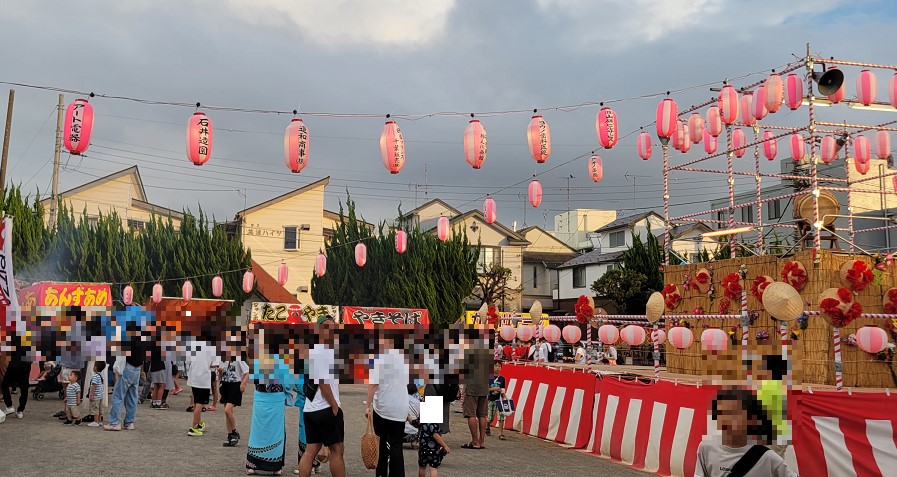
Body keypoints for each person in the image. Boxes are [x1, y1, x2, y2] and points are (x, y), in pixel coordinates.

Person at [695, 388, 796, 477]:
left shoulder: (767, 458)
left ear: (752, 419)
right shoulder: (706, 447)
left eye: (733, 414)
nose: (724, 419)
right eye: (720, 413)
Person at [297, 322, 345, 477]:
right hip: (325, 408)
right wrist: (334, 405)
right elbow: (322, 382)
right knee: (337, 450)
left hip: (310, 408)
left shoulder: (314, 351)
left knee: (310, 451)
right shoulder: (324, 352)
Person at [366, 332, 411, 476]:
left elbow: (373, 385)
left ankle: (381, 474)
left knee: (382, 444)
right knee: (396, 446)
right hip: (401, 408)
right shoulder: (406, 359)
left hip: (383, 408)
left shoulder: (381, 359)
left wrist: (367, 405)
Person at [105, 323, 146, 431]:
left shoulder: (128, 339)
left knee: (118, 396)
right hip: (137, 369)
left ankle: (115, 422)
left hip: (127, 368)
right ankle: (129, 422)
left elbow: (121, 354)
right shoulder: (142, 340)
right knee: (132, 397)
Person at [461, 337, 491, 450]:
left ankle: (475, 441)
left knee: (471, 414)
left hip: (472, 386)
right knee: (482, 414)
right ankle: (482, 441)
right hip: (484, 386)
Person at [187, 338, 220, 436]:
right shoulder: (213, 347)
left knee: (197, 401)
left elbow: (188, 360)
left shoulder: (193, 343)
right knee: (200, 404)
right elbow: (215, 364)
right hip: (203, 378)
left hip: (193, 376)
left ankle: (199, 422)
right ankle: (194, 426)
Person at [220, 355, 249, 447]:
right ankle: (230, 435)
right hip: (225, 384)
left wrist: (243, 383)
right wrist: (220, 372)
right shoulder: (222, 359)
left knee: (227, 410)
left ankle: (234, 432)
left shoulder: (238, 359)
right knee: (227, 412)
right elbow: (221, 373)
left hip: (235, 385)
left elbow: (247, 371)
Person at [2, 333, 31, 419]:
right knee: (24, 388)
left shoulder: (11, 335)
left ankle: (9, 406)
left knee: (5, 384)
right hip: (25, 365)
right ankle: (20, 411)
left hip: (14, 364)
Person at [486, 361, 507, 440]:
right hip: (491, 399)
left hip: (499, 400)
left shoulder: (502, 379)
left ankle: (501, 433)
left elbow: (503, 389)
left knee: (501, 416)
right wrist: (494, 389)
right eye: (496, 366)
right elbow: (486, 388)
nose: (498, 367)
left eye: (499, 366)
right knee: (490, 418)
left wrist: (504, 397)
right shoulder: (489, 378)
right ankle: (487, 426)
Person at [87, 362, 106, 427]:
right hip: (100, 395)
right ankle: (100, 421)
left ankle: (95, 421)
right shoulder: (101, 375)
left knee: (95, 409)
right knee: (100, 409)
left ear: (95, 367)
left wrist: (91, 395)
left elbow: (93, 386)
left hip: (95, 396)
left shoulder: (95, 376)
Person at [404, 383, 421, 448]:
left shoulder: (401, 400)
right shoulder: (418, 402)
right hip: (413, 432)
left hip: (400, 432)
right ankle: (414, 442)